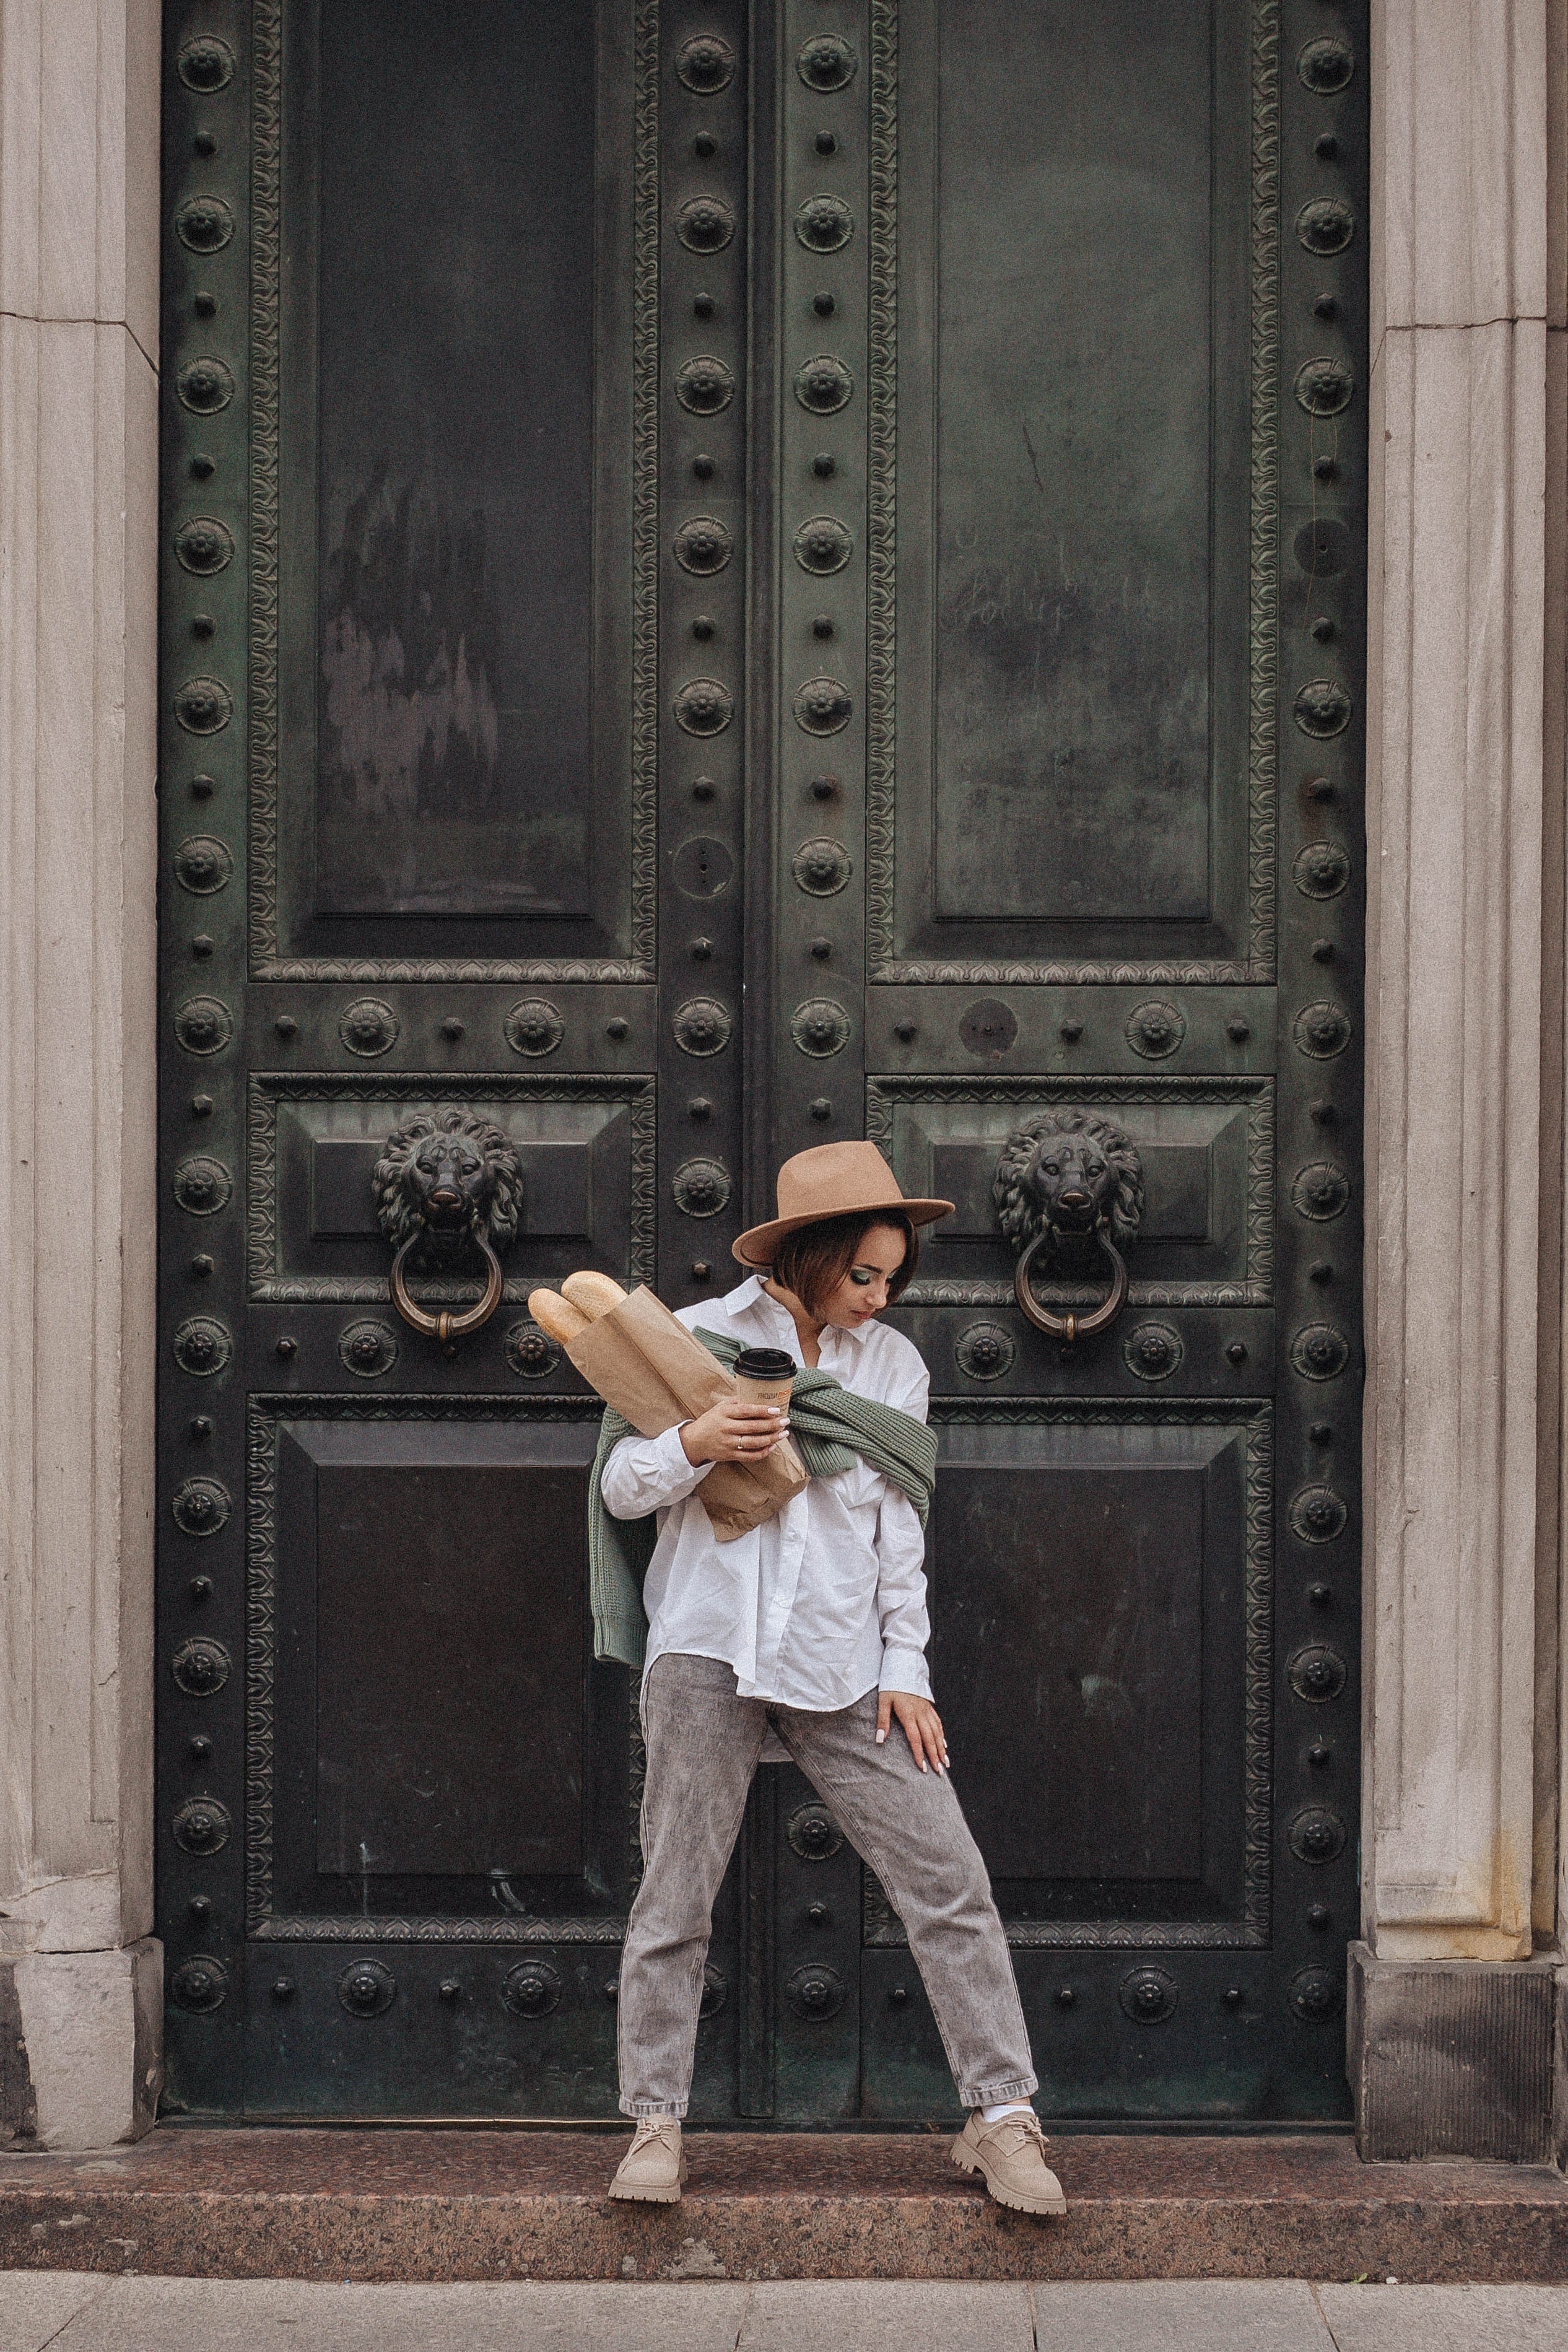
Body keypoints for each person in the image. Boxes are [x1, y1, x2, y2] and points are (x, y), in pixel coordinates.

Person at [597, 1140, 1064, 2216]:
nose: (879, 1295)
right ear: (806, 1257)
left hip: (844, 1662)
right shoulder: (692, 1338)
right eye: (863, 1273)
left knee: (949, 1879)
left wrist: (908, 1667)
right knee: (675, 1895)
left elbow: (900, 1531)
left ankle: (1000, 2115)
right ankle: (655, 2123)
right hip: (708, 1647)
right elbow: (620, 1488)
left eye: (892, 1276)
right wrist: (695, 1441)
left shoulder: (891, 1368)